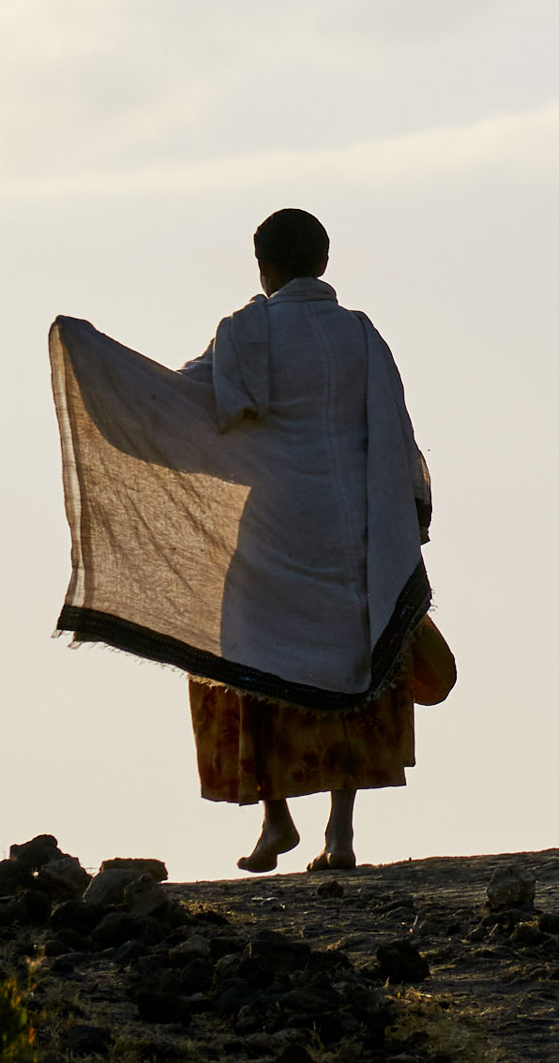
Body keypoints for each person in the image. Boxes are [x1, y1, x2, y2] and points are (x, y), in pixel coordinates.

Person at [174, 209, 454, 872]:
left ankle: (276, 820)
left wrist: (104, 372)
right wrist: (408, 518)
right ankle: (342, 834)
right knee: (351, 672)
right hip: (354, 534)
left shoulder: (246, 333)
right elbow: (396, 431)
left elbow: (186, 401)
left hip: (274, 534)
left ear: (262, 267)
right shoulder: (360, 335)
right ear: (324, 263)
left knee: (251, 658)